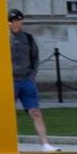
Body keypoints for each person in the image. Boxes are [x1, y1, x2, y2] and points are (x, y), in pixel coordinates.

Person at [8, 8, 50, 145]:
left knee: (35, 112)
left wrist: (32, 75)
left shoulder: (28, 38)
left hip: (26, 80)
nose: (16, 24)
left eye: (18, 21)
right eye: (13, 21)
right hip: (10, 81)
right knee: (8, 114)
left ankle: (45, 143)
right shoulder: (4, 38)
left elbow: (35, 57)